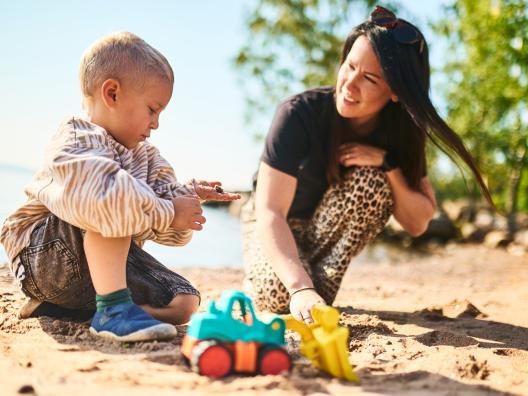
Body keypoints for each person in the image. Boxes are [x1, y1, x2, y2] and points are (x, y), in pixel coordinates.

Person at [241, 5, 494, 324]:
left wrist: (388, 166)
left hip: (325, 229)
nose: (349, 84)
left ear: (395, 93)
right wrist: (300, 288)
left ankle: (311, 283)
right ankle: (275, 279)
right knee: (282, 295)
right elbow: (269, 212)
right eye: (349, 66)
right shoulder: (298, 113)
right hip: (277, 219)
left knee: (374, 181)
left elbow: (417, 223)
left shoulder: (403, 134)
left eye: (369, 78)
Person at [0, 32, 239, 342]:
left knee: (185, 302)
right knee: (111, 203)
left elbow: (168, 230)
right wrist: (167, 211)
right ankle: (114, 311)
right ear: (111, 94)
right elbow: (104, 201)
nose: (156, 124)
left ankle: (98, 308)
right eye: (153, 109)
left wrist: (184, 200)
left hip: (93, 270)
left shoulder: (147, 157)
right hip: (43, 257)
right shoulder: (76, 138)